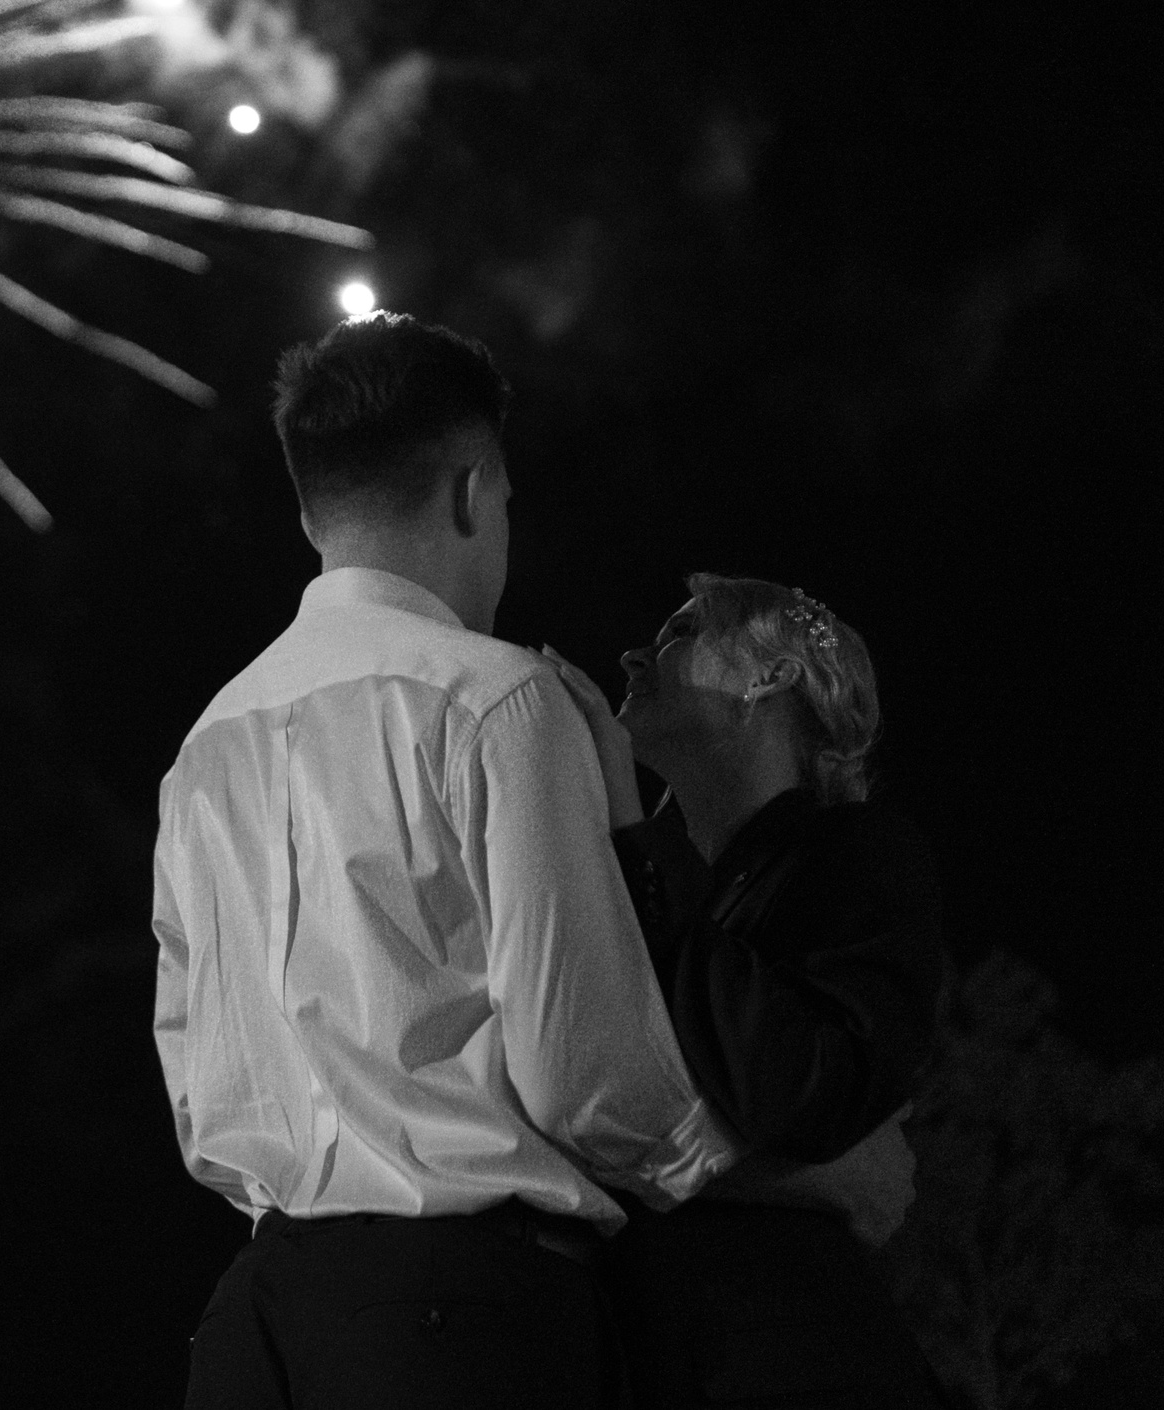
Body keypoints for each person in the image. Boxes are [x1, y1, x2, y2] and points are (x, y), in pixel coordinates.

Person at [152, 316, 741, 1410]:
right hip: (455, 1311)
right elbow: (583, 1068)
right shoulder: (496, 699)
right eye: (507, 500)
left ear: (307, 508)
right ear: (471, 488)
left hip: (254, 1327)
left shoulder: (205, 751)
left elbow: (201, 1091)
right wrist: (726, 1159)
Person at [544, 576, 945, 1408]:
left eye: (684, 630)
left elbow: (807, 1089)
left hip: (790, 1358)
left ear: (771, 680)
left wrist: (630, 833)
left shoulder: (854, 859)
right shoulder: (631, 882)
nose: (633, 655)